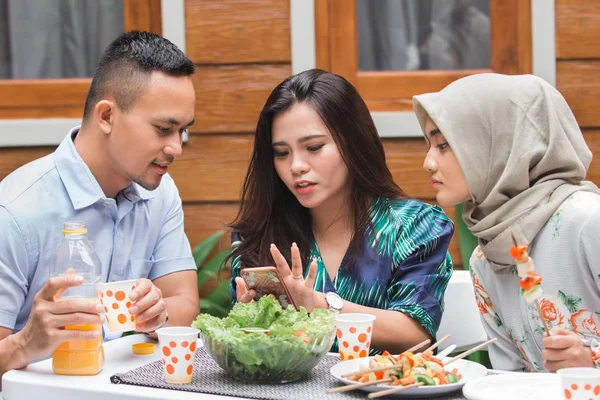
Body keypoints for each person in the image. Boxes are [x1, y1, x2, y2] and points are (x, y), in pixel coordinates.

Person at [0, 31, 199, 384]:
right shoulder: (15, 210)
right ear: (106, 116)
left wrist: (158, 313)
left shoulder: (161, 194)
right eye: (164, 129)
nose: (176, 147)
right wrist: (24, 344)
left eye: (182, 131)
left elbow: (184, 302)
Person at [229, 69, 454, 354]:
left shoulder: (414, 226)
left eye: (313, 147)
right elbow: (251, 348)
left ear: (353, 142)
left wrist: (321, 305)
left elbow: (415, 334)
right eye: (281, 153)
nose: (296, 165)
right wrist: (246, 322)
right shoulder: (257, 234)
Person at [414, 73, 600, 372]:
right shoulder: (486, 256)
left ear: (498, 143)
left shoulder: (588, 221)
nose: (428, 162)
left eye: (444, 145)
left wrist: (590, 362)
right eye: (429, 145)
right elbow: (509, 377)